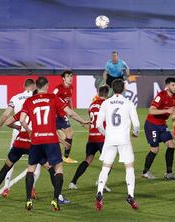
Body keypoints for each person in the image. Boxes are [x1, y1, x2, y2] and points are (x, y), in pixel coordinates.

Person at [20, 77, 90, 211]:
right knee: (58, 168)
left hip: (36, 140)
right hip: (51, 140)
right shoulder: (53, 98)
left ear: (36, 86)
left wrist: (29, 131)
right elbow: (70, 113)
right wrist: (82, 121)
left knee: (31, 169)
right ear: (46, 85)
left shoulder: (29, 100)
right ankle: (55, 199)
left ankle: (28, 200)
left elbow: (22, 120)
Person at [95, 79, 140, 211]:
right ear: (124, 88)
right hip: (124, 140)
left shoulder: (105, 103)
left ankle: (99, 191)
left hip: (110, 139)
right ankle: (130, 195)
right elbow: (136, 125)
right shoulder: (128, 103)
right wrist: (135, 133)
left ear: (112, 89)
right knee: (129, 167)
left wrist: (106, 134)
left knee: (106, 166)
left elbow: (98, 125)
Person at [0, 78, 42, 198]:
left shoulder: (15, 97)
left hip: (18, 133)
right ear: (34, 86)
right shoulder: (36, 97)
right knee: (37, 162)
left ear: (24, 86)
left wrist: (0, 125)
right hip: (32, 133)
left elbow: (6, 114)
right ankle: (32, 188)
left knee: (10, 161)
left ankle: (5, 187)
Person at [69, 85, 111, 191]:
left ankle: (73, 182)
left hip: (92, 137)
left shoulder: (92, 105)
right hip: (102, 137)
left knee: (88, 160)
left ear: (98, 93)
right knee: (108, 162)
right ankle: (101, 183)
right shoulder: (107, 105)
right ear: (107, 94)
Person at [142, 77, 175, 180]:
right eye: (173, 85)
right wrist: (165, 111)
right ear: (167, 86)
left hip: (162, 125)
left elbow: (174, 114)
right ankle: (145, 172)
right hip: (151, 124)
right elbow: (151, 111)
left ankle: (169, 173)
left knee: (171, 145)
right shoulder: (161, 96)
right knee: (155, 149)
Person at [53, 70, 77, 163]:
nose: (70, 78)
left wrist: (71, 109)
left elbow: (69, 98)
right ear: (63, 78)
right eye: (68, 76)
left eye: (71, 76)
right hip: (57, 115)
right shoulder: (58, 89)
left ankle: (59, 156)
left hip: (62, 114)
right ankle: (66, 157)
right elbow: (51, 98)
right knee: (69, 134)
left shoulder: (71, 87)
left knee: (62, 137)